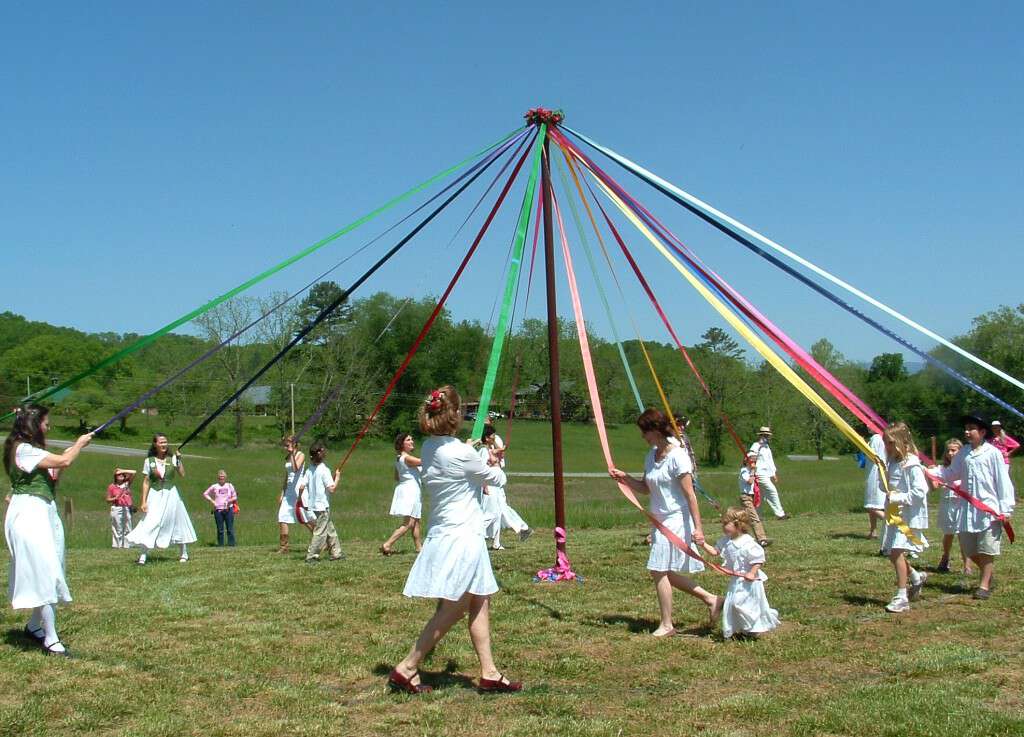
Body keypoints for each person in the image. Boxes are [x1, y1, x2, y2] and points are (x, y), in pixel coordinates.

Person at [388, 386, 522, 694]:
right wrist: (492, 460)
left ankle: (489, 672)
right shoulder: (461, 453)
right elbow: (497, 480)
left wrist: (472, 451)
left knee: (479, 599)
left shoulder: (429, 447)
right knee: (458, 604)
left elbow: (453, 460)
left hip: (449, 532)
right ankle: (407, 666)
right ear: (454, 415)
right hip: (463, 536)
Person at [609, 408, 720, 638]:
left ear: (656, 430)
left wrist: (698, 529)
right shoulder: (651, 456)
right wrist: (625, 478)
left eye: (644, 431)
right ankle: (712, 599)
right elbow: (645, 488)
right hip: (659, 520)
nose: (643, 437)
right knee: (664, 572)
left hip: (677, 519)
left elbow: (690, 495)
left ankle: (667, 624)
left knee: (658, 570)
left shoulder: (678, 456)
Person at [4, 405, 92, 656]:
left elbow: (57, 469)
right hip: (30, 513)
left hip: (44, 511)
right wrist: (79, 443)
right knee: (45, 570)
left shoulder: (33, 452)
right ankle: (51, 639)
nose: (48, 426)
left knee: (50, 567)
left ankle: (34, 626)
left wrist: (69, 455)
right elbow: (64, 460)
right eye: (45, 422)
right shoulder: (23, 449)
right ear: (33, 425)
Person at [942, 412, 1015, 600]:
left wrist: (1005, 508)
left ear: (982, 432)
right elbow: (952, 473)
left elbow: (1002, 481)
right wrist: (930, 471)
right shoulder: (964, 453)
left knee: (987, 548)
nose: (967, 432)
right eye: (966, 429)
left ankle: (983, 586)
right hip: (968, 508)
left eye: (971, 429)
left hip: (988, 509)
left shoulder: (993, 453)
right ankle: (988, 574)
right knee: (969, 549)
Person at [698, 507, 779, 638]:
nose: (723, 527)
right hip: (736, 580)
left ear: (738, 525)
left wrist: (752, 573)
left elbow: (758, 559)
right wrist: (702, 544)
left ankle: (754, 627)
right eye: (722, 524)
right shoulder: (725, 540)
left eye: (726, 524)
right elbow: (714, 551)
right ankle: (744, 629)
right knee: (735, 604)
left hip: (749, 581)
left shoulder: (747, 542)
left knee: (742, 603)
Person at [879, 422, 930, 613]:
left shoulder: (912, 464)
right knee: (893, 554)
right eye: (886, 443)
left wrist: (898, 497)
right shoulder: (892, 462)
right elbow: (886, 488)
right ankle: (916, 577)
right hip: (894, 515)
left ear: (902, 441)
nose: (888, 447)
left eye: (891, 442)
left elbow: (919, 492)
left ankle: (902, 597)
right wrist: (882, 476)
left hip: (908, 516)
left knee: (896, 553)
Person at [126, 434, 197, 564]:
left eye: (165, 442)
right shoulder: (149, 461)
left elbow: (182, 474)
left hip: (171, 495)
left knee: (177, 521)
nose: (164, 444)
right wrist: (143, 501)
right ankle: (143, 555)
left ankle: (184, 553)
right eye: (161, 442)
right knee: (149, 522)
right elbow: (146, 482)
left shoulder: (172, 459)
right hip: (155, 494)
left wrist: (179, 460)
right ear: (155, 444)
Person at [478, 424, 530, 550]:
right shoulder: (483, 451)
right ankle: (475, 535)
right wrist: (484, 487)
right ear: (487, 437)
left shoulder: (489, 449)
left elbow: (499, 450)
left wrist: (501, 449)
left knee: (498, 514)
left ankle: (496, 543)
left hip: (496, 487)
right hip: (490, 487)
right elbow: (482, 469)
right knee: (491, 514)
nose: (494, 438)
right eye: (492, 436)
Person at [929, 438, 971, 575]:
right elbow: (935, 487)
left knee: (963, 535)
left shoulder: (965, 468)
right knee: (949, 534)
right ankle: (946, 556)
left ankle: (967, 565)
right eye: (948, 450)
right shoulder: (942, 469)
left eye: (954, 450)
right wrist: (931, 475)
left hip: (962, 503)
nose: (951, 453)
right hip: (948, 503)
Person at [298, 440, 344, 563]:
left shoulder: (309, 470)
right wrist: (337, 477)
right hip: (322, 506)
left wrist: (300, 500)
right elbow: (332, 488)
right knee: (320, 532)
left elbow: (301, 487)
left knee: (330, 529)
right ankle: (311, 555)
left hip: (314, 505)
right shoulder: (324, 470)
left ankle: (336, 553)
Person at [381, 432, 423, 555]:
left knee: (415, 520)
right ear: (402, 444)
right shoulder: (407, 458)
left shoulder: (399, 459)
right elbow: (423, 461)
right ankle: (387, 544)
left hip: (411, 490)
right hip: (411, 491)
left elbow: (397, 477)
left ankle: (418, 547)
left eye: (412, 439)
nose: (412, 442)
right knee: (409, 523)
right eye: (408, 440)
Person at [276, 436, 311, 554]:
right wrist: (282, 493)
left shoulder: (300, 455)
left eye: (288, 445)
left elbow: (296, 469)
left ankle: (322, 540)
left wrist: (292, 454)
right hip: (289, 491)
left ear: (294, 444)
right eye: (285, 445)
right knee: (282, 517)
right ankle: (284, 546)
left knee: (304, 518)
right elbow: (287, 476)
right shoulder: (288, 457)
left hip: (298, 491)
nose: (286, 447)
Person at [749, 427, 788, 520]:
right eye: (765, 435)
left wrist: (773, 473)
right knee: (772, 491)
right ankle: (780, 514)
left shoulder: (767, 447)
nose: (766, 437)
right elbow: (751, 457)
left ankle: (757, 516)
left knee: (760, 496)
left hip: (766, 474)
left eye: (767, 435)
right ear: (761, 436)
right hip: (759, 473)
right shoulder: (756, 445)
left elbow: (769, 461)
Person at [737, 451, 769, 546]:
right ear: (746, 461)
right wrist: (752, 471)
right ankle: (762, 539)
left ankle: (740, 538)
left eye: (755, 460)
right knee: (755, 518)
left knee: (745, 520)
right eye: (752, 460)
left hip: (751, 497)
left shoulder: (750, 471)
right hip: (745, 497)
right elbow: (750, 482)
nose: (754, 463)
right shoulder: (744, 471)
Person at [203, 470, 238, 547]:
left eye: (223, 477)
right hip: (218, 510)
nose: (221, 478)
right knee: (220, 529)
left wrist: (230, 501)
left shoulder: (229, 485)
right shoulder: (214, 486)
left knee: (230, 528)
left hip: (229, 509)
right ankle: (221, 545)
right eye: (220, 477)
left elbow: (235, 496)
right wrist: (212, 501)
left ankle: (231, 545)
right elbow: (205, 494)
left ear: (225, 477)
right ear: (218, 478)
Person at [863, 432, 887, 541]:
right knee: (873, 505)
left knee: (871, 506)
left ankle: (893, 523)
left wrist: (863, 445)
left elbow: (871, 455)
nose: (867, 426)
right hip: (877, 472)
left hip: (875, 473)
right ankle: (873, 531)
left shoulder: (876, 438)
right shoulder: (881, 437)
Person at [106, 468, 136, 549]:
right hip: (116, 507)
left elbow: (134, 472)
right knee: (117, 528)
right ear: (115, 476)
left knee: (128, 527)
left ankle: (127, 545)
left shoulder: (126, 484)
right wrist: (115, 498)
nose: (121, 475)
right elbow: (107, 499)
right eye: (119, 474)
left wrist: (122, 470)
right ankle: (117, 545)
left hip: (126, 508)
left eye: (122, 474)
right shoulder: (112, 486)